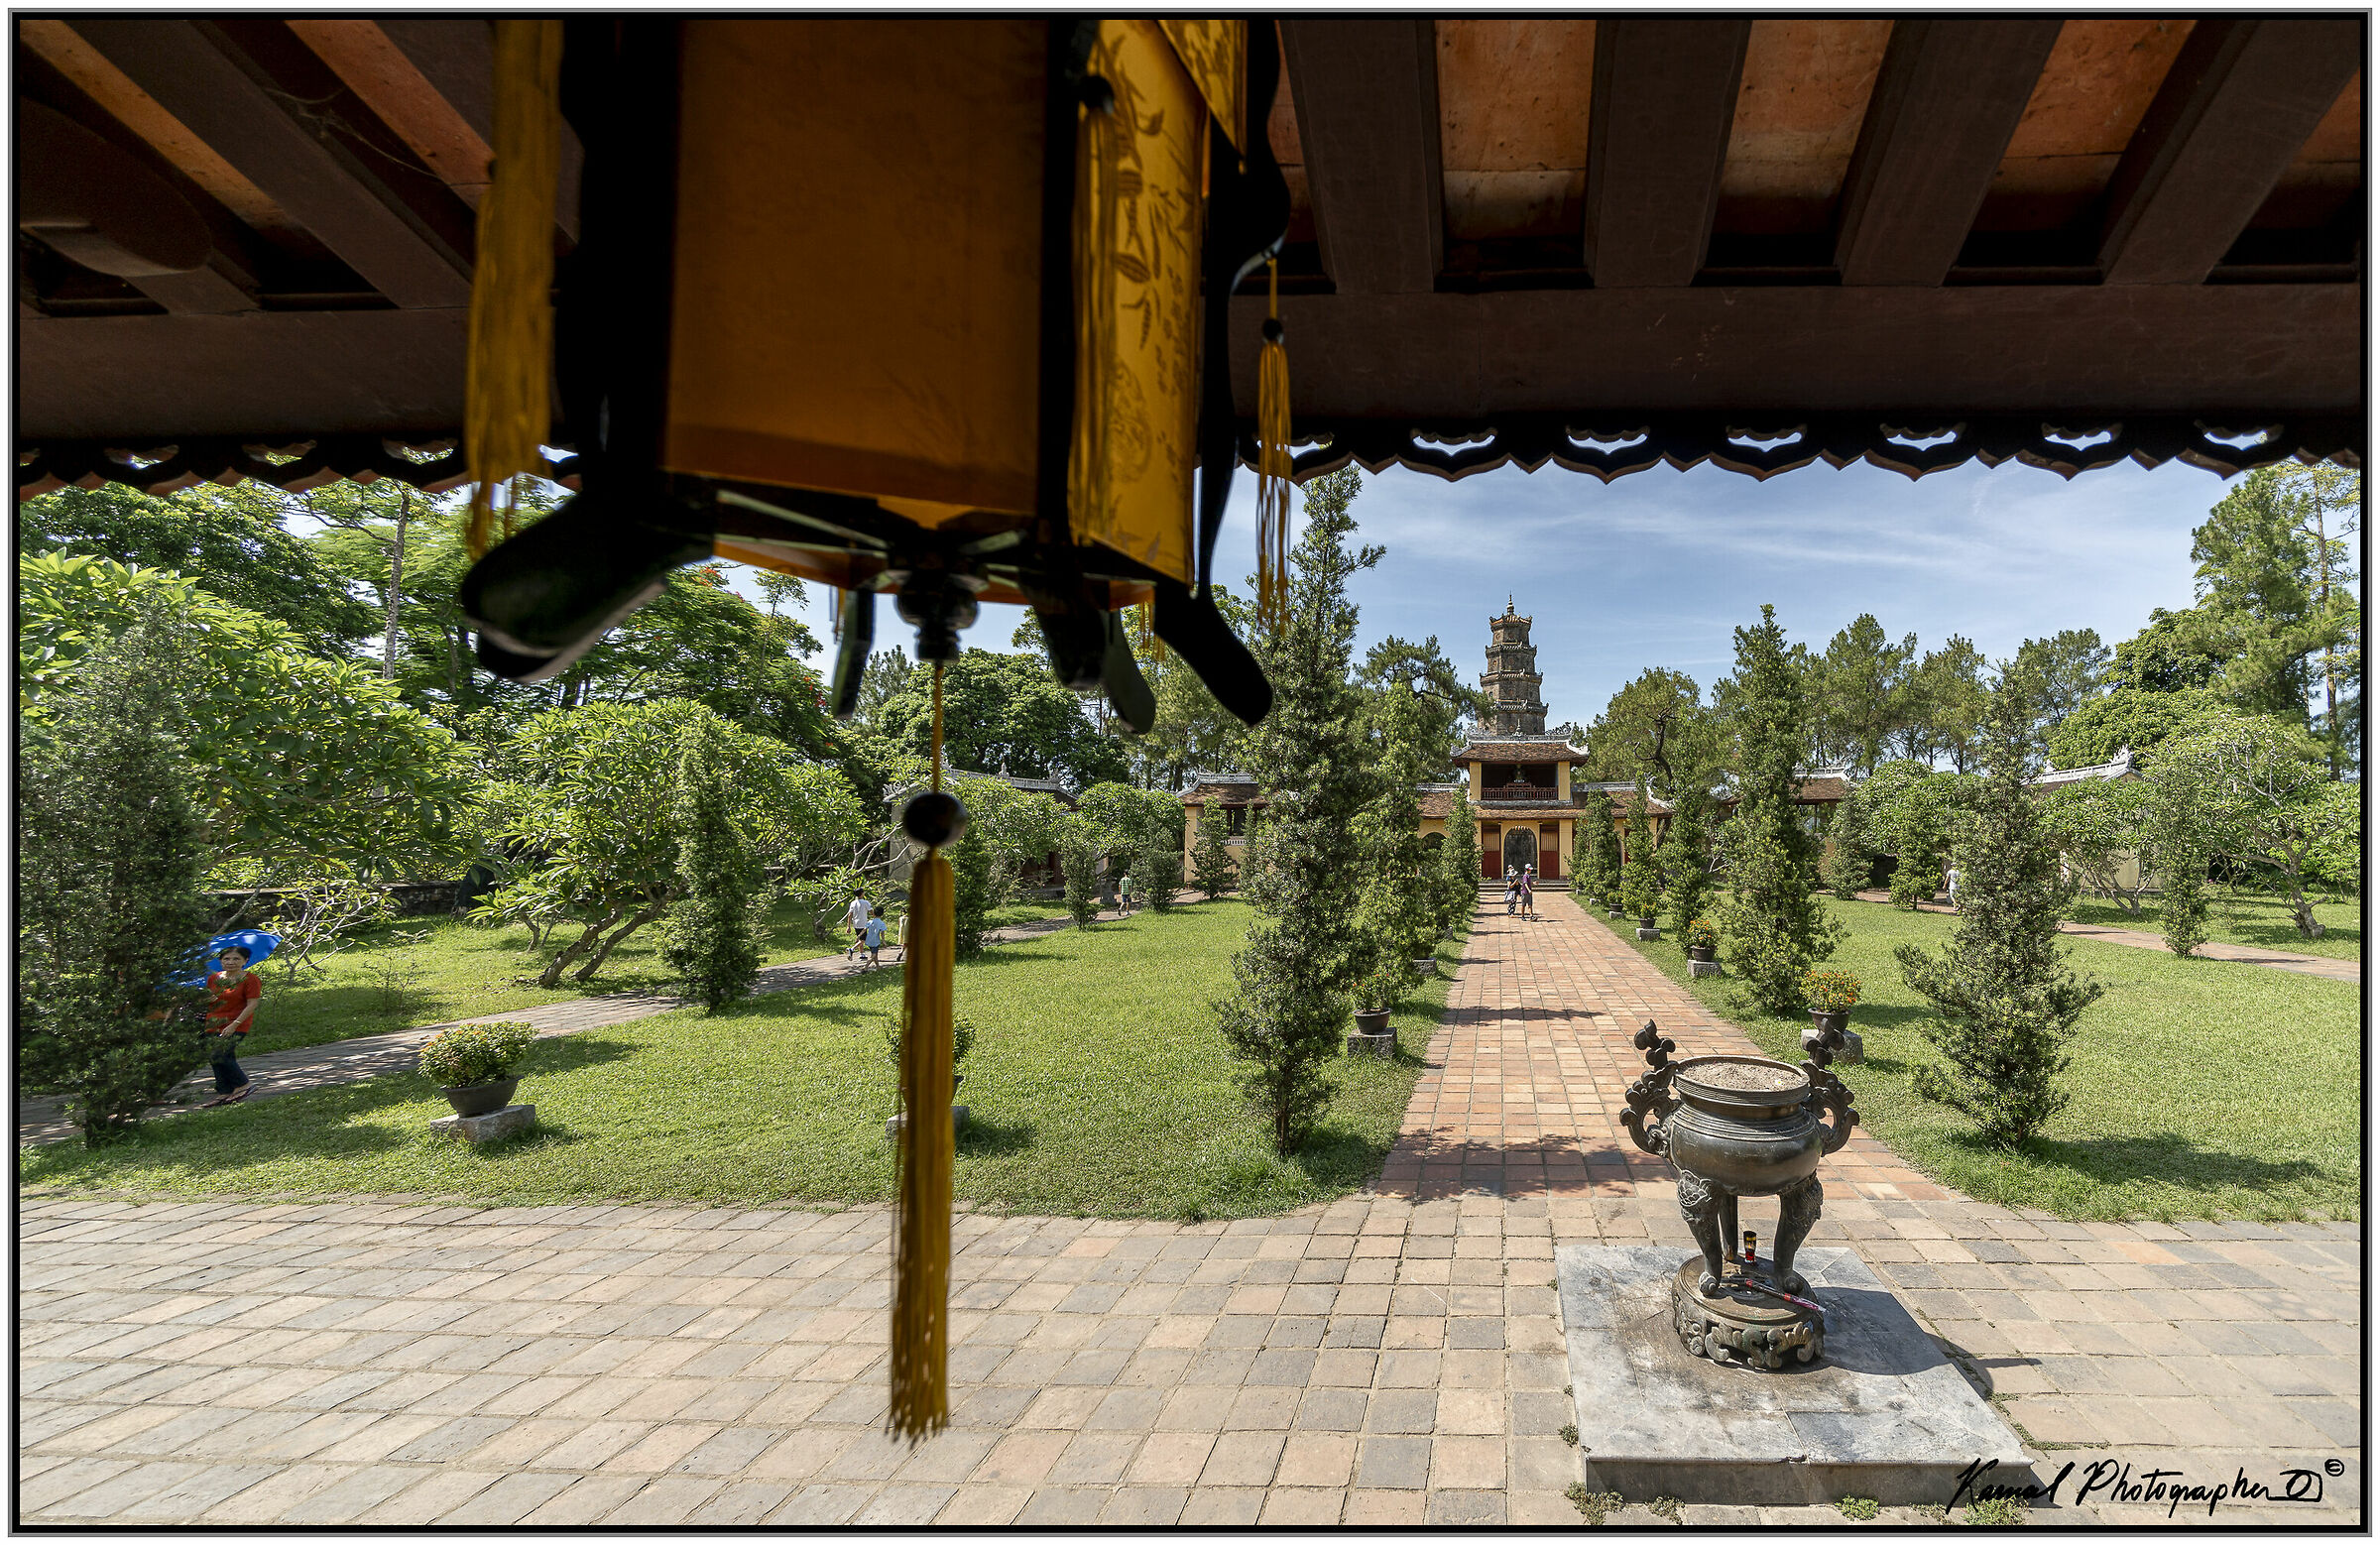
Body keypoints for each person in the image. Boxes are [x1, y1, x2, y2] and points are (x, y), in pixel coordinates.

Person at [201, 944, 261, 1106]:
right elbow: (210, 1000)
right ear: (220, 961)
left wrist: (235, 1024)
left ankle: (244, 1085)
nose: (231, 962)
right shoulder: (214, 978)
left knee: (220, 1053)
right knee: (216, 1057)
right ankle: (224, 1091)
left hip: (237, 1023)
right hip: (213, 1022)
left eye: (236, 959)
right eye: (226, 959)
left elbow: (252, 1004)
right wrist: (208, 999)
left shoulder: (250, 979)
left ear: (245, 961)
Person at [843, 889, 872, 960]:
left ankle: (862, 954)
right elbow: (871, 911)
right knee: (863, 940)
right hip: (863, 923)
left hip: (856, 923)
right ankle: (852, 949)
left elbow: (850, 915)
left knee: (860, 939)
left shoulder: (853, 903)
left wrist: (848, 926)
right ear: (862, 893)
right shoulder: (866, 902)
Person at [863, 904, 889, 969]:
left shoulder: (870, 922)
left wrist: (859, 936)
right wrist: (883, 941)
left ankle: (878, 966)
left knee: (875, 954)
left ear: (873, 913)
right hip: (875, 942)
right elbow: (882, 933)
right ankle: (865, 967)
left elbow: (864, 929)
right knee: (873, 955)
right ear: (882, 914)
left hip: (869, 940)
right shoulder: (881, 923)